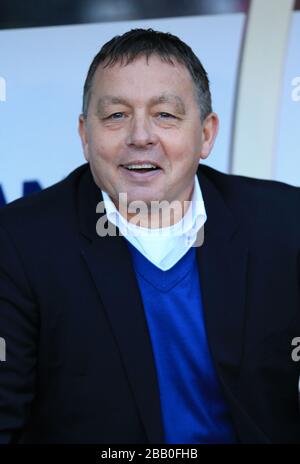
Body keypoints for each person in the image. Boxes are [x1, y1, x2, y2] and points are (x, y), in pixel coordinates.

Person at [0, 28, 300, 445]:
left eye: (165, 115)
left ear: (207, 134)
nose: (140, 137)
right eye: (116, 116)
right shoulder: (20, 243)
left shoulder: (284, 224)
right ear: (85, 135)